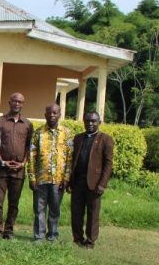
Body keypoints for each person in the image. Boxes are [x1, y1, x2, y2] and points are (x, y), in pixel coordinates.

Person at [27, 104, 72, 241]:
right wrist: (32, 177)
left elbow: (70, 157)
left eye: (55, 112)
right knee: (39, 210)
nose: (52, 115)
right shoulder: (38, 133)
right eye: (49, 112)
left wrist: (67, 177)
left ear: (59, 114)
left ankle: (52, 236)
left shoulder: (67, 133)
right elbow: (32, 156)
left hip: (58, 180)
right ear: (45, 115)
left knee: (55, 210)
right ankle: (39, 236)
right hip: (41, 179)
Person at [69, 111, 114, 249]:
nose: (90, 123)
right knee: (76, 211)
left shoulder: (105, 139)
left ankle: (90, 241)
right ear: (83, 121)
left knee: (93, 213)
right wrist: (70, 182)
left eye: (94, 121)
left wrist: (102, 184)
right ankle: (77, 238)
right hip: (78, 182)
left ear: (99, 123)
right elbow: (72, 161)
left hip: (94, 183)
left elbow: (108, 163)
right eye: (87, 120)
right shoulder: (78, 138)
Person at [0, 92, 33, 239]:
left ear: (23, 104)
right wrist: (2, 161)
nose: (17, 104)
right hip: (1, 169)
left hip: (18, 170)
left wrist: (23, 162)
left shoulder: (28, 124)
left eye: (20, 102)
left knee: (14, 203)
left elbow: (29, 146)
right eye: (14, 101)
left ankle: (8, 230)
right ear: (9, 102)